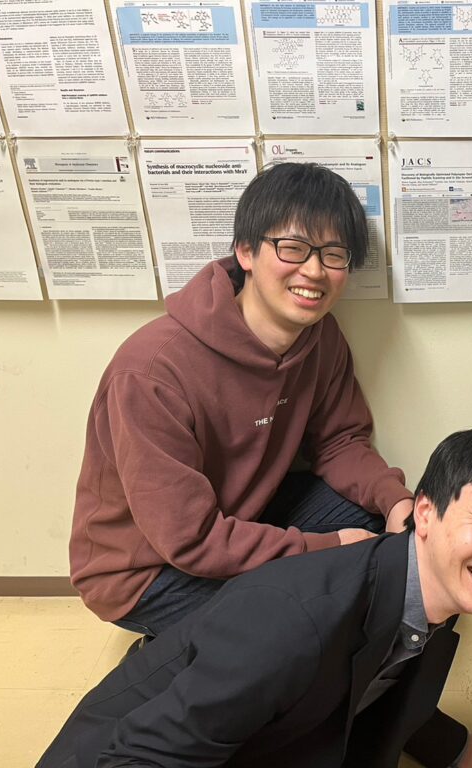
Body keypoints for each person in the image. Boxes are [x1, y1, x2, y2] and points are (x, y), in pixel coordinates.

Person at [39, 428, 472, 768]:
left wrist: (452, 748)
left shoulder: (426, 596)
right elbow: (138, 759)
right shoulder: (291, 621)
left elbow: (368, 678)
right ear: (424, 513)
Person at [70, 162, 414, 637]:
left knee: (383, 528)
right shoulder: (152, 371)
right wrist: (326, 548)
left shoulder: (320, 336)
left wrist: (396, 501)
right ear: (246, 251)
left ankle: (215, 640)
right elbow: (188, 539)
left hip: (243, 517)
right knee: (317, 611)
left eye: (334, 255)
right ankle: (171, 659)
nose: (313, 271)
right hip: (150, 573)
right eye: (293, 248)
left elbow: (338, 442)